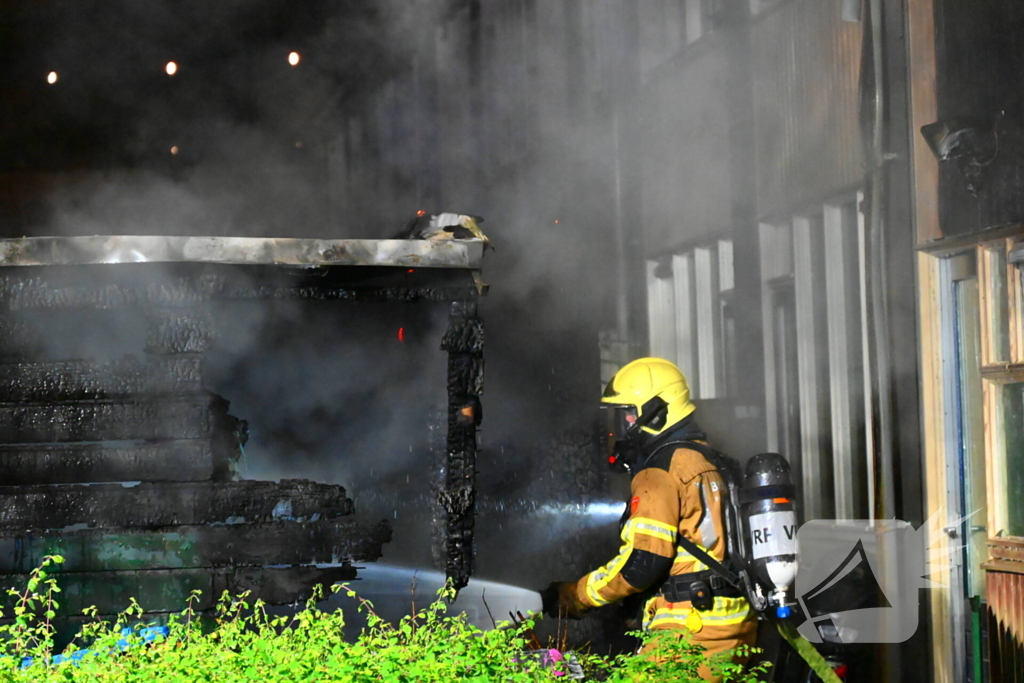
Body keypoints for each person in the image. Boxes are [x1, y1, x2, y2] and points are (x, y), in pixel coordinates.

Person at [541, 357, 757, 683]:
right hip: (735, 626)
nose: (622, 425)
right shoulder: (711, 460)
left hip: (689, 632)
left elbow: (641, 564)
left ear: (657, 412)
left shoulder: (660, 470)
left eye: (628, 413)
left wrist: (576, 596)